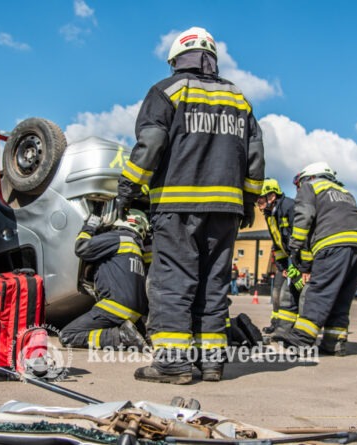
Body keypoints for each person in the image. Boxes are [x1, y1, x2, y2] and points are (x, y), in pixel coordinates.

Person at [115, 26, 265, 384]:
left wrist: (128, 187)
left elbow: (151, 143)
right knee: (213, 284)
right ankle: (211, 362)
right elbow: (255, 158)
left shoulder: (166, 91)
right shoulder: (238, 99)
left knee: (173, 282)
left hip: (178, 206)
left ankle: (172, 364)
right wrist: (247, 201)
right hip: (226, 210)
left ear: (177, 60)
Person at [275, 162, 357, 356]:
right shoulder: (345, 192)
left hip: (333, 243)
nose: (298, 188)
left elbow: (304, 216)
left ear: (309, 177)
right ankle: (334, 342)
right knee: (342, 295)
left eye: (299, 183)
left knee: (319, 292)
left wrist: (295, 244)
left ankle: (301, 340)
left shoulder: (311, 186)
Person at [59, 210, 149, 350]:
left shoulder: (118, 238)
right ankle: (129, 335)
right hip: (135, 312)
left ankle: (121, 337)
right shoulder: (137, 249)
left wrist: (89, 226)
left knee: (67, 335)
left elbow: (81, 247)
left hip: (114, 307)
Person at [255, 178, 302, 335]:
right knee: (276, 292)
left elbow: (300, 238)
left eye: (260, 198)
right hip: (287, 260)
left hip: (300, 259)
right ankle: (276, 323)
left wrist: (298, 265)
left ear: (272, 196)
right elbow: (277, 242)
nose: (258, 202)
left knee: (294, 293)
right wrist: (282, 266)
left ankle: (296, 327)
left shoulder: (289, 207)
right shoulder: (269, 214)